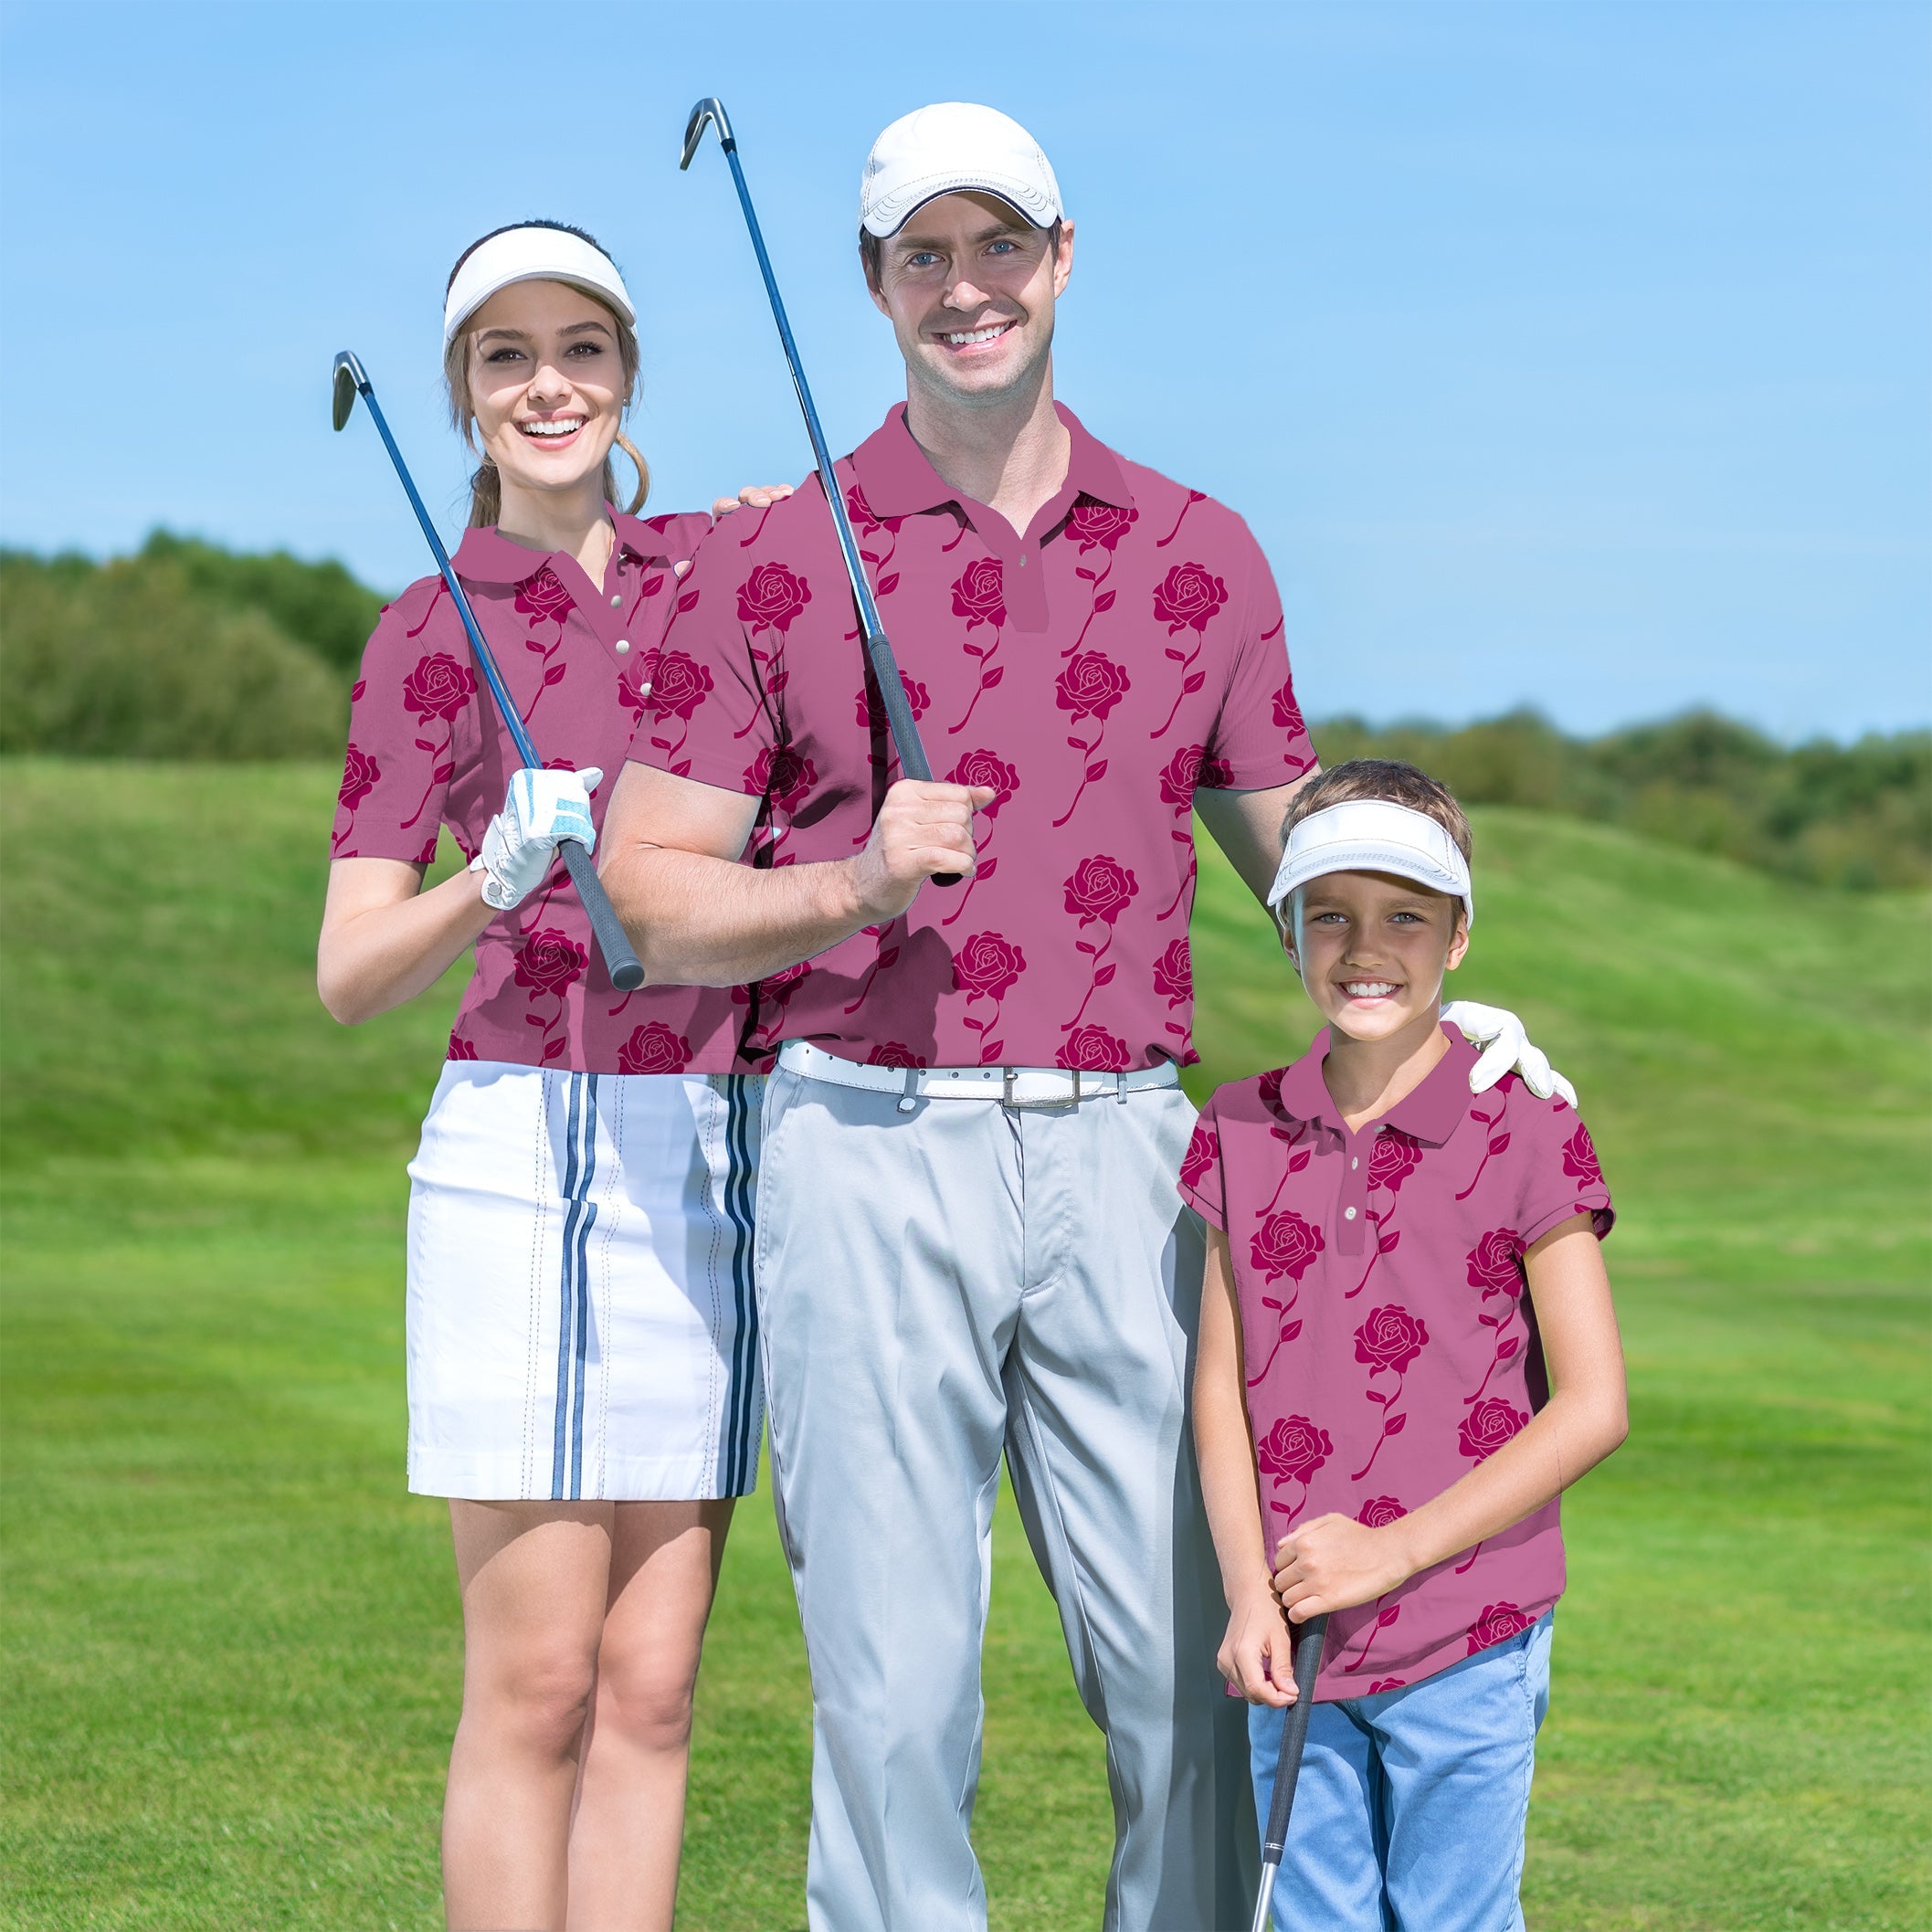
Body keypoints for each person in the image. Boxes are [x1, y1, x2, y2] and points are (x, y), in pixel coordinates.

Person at [597, 106, 1568, 1930]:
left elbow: (1307, 864)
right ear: (875, 285)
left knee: (1202, 1666)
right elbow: (647, 891)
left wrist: (1450, 988)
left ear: (1061, 256)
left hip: (1135, 1157)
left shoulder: (1204, 550)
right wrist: (841, 888)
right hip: (860, 1138)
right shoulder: (778, 553)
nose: (967, 288)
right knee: (893, 1701)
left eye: (1000, 246)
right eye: (924, 256)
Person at [317, 220, 788, 1932]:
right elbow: (349, 972)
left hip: (702, 1152)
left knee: (654, 1685)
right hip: (520, 1145)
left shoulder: (725, 581)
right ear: (462, 394)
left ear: (626, 375)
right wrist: (486, 879)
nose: (548, 385)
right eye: (506, 356)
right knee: (537, 1686)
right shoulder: (421, 633)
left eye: (579, 349)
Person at [1184, 759, 1629, 1931]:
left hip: (1470, 1627)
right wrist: (1246, 1595)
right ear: (1286, 928)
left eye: (1404, 917)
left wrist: (1392, 1554)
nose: (1363, 946)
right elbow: (1220, 1393)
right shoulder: (1238, 1124)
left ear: (1458, 939)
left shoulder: (1528, 1125)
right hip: (1297, 1631)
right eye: (1328, 913)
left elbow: (1593, 1406)